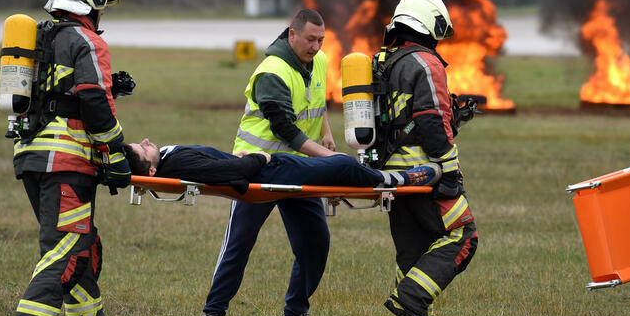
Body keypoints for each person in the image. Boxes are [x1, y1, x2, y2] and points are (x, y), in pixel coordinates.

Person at [188, 9, 340, 316]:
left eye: (321, 40)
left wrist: (326, 131)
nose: (316, 46)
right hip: (256, 169)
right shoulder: (272, 71)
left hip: (301, 167)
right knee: (239, 244)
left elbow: (316, 99)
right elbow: (284, 128)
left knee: (316, 242)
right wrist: (331, 159)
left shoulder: (321, 60)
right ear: (292, 35)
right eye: (310, 39)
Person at [10, 0, 131, 316]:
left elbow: (59, 94)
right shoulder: (88, 41)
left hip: (31, 157)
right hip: (66, 162)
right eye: (99, 6)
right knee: (65, 246)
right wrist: (116, 155)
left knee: (83, 244)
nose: (100, 15)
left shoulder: (43, 38)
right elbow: (94, 103)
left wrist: (115, 85)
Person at [374, 0, 479, 316]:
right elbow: (430, 119)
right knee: (463, 236)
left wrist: (455, 118)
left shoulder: (387, 61)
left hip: (392, 176)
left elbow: (406, 121)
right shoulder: (425, 63)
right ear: (429, 23)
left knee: (414, 249)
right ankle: (411, 300)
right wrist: (449, 170)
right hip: (424, 175)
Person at [124, 138, 441, 190]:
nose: (148, 141)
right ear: (151, 171)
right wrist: (257, 158)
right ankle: (397, 181)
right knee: (343, 164)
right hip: (271, 170)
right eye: (144, 148)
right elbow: (233, 175)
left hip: (274, 164)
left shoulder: (170, 158)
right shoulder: (178, 164)